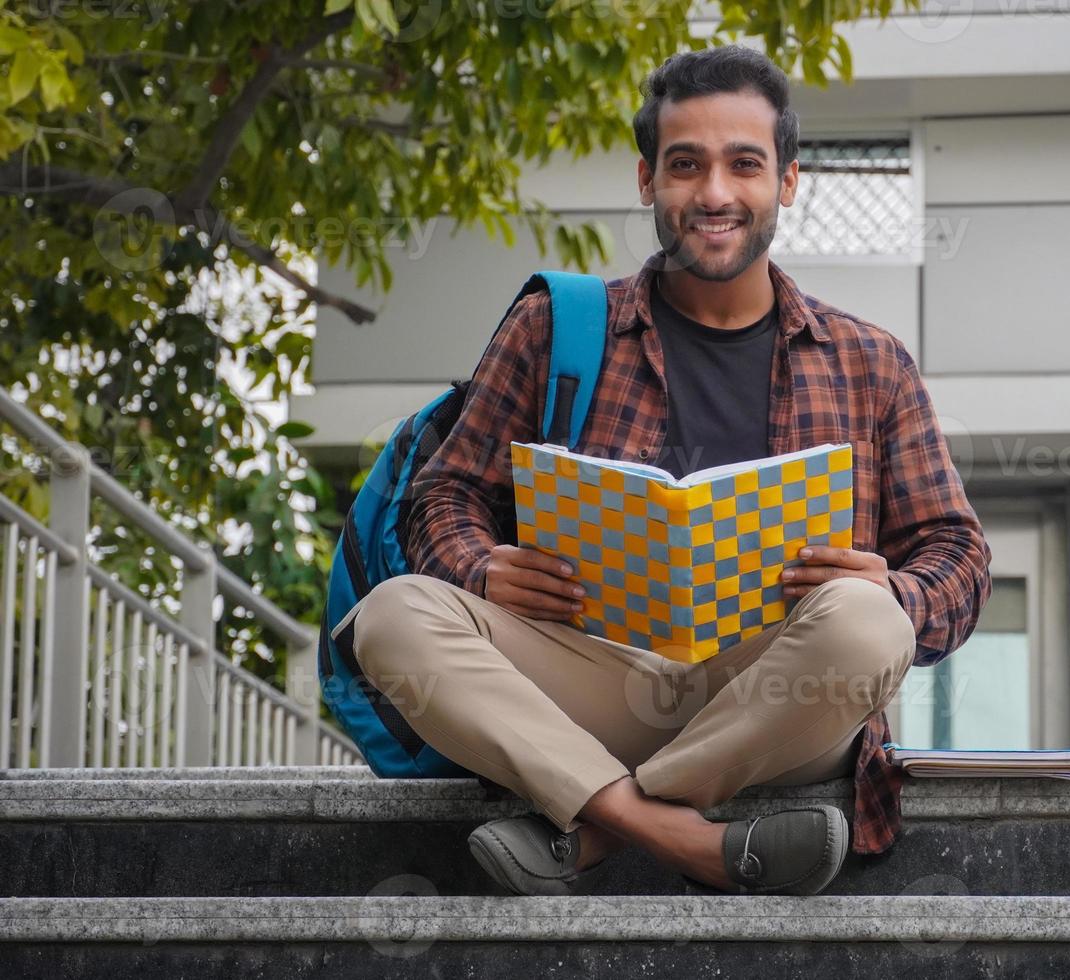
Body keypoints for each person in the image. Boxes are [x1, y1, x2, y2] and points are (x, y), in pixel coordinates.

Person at [350, 44, 991, 897]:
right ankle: (678, 833)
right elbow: (442, 497)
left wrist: (893, 587)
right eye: (686, 165)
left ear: (789, 181)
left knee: (868, 625)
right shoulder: (555, 329)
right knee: (391, 616)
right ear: (649, 179)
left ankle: (600, 822)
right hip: (596, 682)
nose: (716, 194)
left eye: (745, 165)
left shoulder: (871, 362)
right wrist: (479, 564)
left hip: (780, 699)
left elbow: (959, 557)